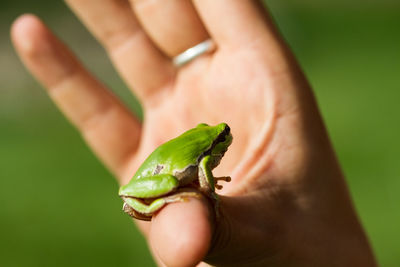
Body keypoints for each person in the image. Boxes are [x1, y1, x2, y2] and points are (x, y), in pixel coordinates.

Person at [11, 1, 377, 266]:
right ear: (217, 142)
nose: (226, 138)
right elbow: (203, 176)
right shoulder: (208, 155)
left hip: (157, 172)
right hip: (162, 177)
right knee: (176, 191)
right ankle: (155, 201)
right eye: (223, 136)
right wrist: (209, 190)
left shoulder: (207, 145)